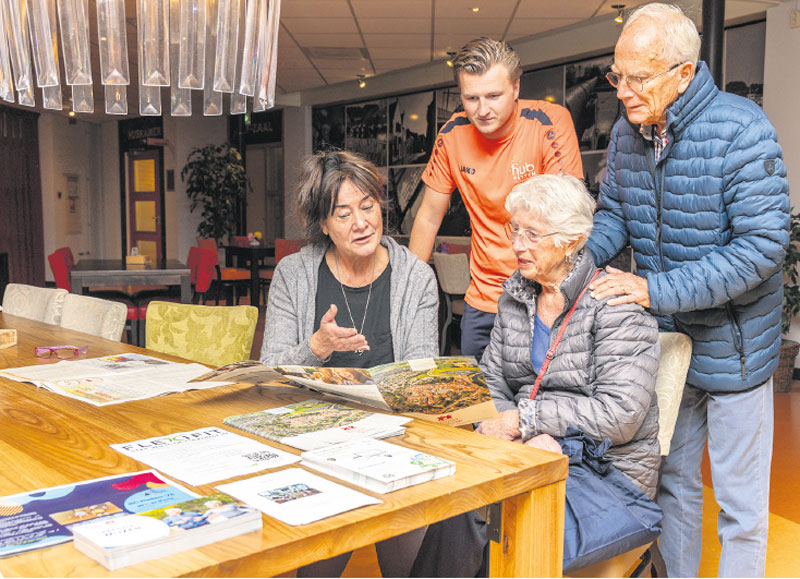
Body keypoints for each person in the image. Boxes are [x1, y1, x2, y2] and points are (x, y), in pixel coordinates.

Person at [585, 4, 790, 577]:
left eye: (638, 78)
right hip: (669, 349)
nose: (622, 92)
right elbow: (614, 219)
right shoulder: (629, 133)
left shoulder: (743, 129)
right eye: (616, 76)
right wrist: (574, 261)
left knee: (740, 509)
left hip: (735, 352)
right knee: (672, 488)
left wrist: (654, 291)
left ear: (683, 72)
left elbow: (763, 249)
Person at [259, 150, 438, 578]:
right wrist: (316, 346)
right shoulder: (294, 274)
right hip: (310, 443)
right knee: (304, 567)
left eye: (368, 206)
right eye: (343, 214)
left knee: (413, 566)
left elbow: (420, 382)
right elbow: (268, 375)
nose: (361, 223)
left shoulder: (415, 278)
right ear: (324, 224)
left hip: (391, 444)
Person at [408, 36, 583, 362]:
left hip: (542, 294)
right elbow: (429, 216)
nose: (482, 110)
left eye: (494, 96)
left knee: (538, 406)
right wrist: (411, 291)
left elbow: (566, 216)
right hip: (485, 298)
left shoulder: (549, 123)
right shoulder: (451, 135)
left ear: (516, 88)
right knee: (481, 406)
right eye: (471, 98)